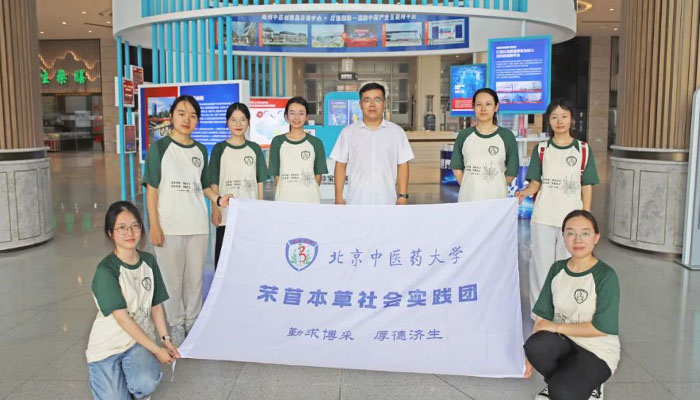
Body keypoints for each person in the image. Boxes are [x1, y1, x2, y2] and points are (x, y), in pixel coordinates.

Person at [143, 95, 231, 345]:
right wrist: (155, 225)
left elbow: (203, 186)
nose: (187, 119)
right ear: (171, 116)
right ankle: (175, 323)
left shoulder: (200, 150)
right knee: (171, 280)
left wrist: (219, 199)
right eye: (181, 113)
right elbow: (152, 189)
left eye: (193, 116)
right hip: (169, 226)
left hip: (197, 225)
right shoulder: (159, 149)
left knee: (195, 279)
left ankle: (193, 321)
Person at [86, 201, 180, 400]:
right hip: (107, 347)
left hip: (137, 342)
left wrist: (165, 339)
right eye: (121, 227)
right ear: (111, 233)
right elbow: (123, 319)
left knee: (145, 383)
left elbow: (156, 305)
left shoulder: (149, 261)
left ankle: (133, 382)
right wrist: (157, 350)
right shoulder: (106, 270)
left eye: (135, 226)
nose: (130, 232)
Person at [524, 210, 620, 400]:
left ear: (596, 237)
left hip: (597, 351)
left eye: (585, 233)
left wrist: (556, 327)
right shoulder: (557, 269)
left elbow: (602, 327)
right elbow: (542, 318)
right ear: (564, 237)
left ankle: (593, 386)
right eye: (570, 233)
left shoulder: (605, 275)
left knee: (563, 394)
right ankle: (557, 381)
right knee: (534, 346)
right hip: (565, 343)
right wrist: (529, 357)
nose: (577, 240)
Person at [515, 99, 599, 313]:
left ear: (571, 119)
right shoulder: (542, 149)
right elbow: (536, 183)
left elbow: (586, 185)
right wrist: (524, 192)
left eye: (564, 116)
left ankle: (563, 312)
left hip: (571, 222)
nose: (559, 121)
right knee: (540, 267)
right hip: (543, 218)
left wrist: (586, 218)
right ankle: (540, 314)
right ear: (549, 121)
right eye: (554, 117)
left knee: (568, 267)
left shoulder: (583, 150)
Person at [330, 82, 414, 205]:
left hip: (386, 201)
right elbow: (340, 165)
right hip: (356, 201)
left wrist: (403, 196)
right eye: (367, 100)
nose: (372, 104)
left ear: (384, 104)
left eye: (377, 100)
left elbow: (403, 164)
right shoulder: (348, 133)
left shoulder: (396, 132)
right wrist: (338, 197)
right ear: (360, 104)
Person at [209, 102, 269, 267]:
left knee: (249, 260)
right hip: (226, 214)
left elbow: (259, 180)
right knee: (225, 261)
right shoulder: (219, 149)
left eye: (243, 120)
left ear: (248, 122)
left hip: (249, 213)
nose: (238, 124)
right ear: (227, 122)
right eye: (233, 120)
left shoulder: (254, 149)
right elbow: (213, 181)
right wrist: (215, 209)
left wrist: (260, 207)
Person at [450, 87, 519, 202]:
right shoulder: (464, 135)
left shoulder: (506, 136)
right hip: (468, 201)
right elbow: (456, 167)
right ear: (473, 107)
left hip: (496, 201)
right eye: (478, 104)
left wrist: (493, 186)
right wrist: (469, 187)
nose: (483, 109)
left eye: (488, 104)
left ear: (496, 107)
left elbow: (512, 172)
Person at [268, 96, 328, 203]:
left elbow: (318, 178)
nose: (296, 117)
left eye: (301, 113)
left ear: (306, 117)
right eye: (292, 113)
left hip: (310, 201)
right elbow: (276, 177)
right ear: (286, 117)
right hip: (285, 201)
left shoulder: (316, 143)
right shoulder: (277, 142)